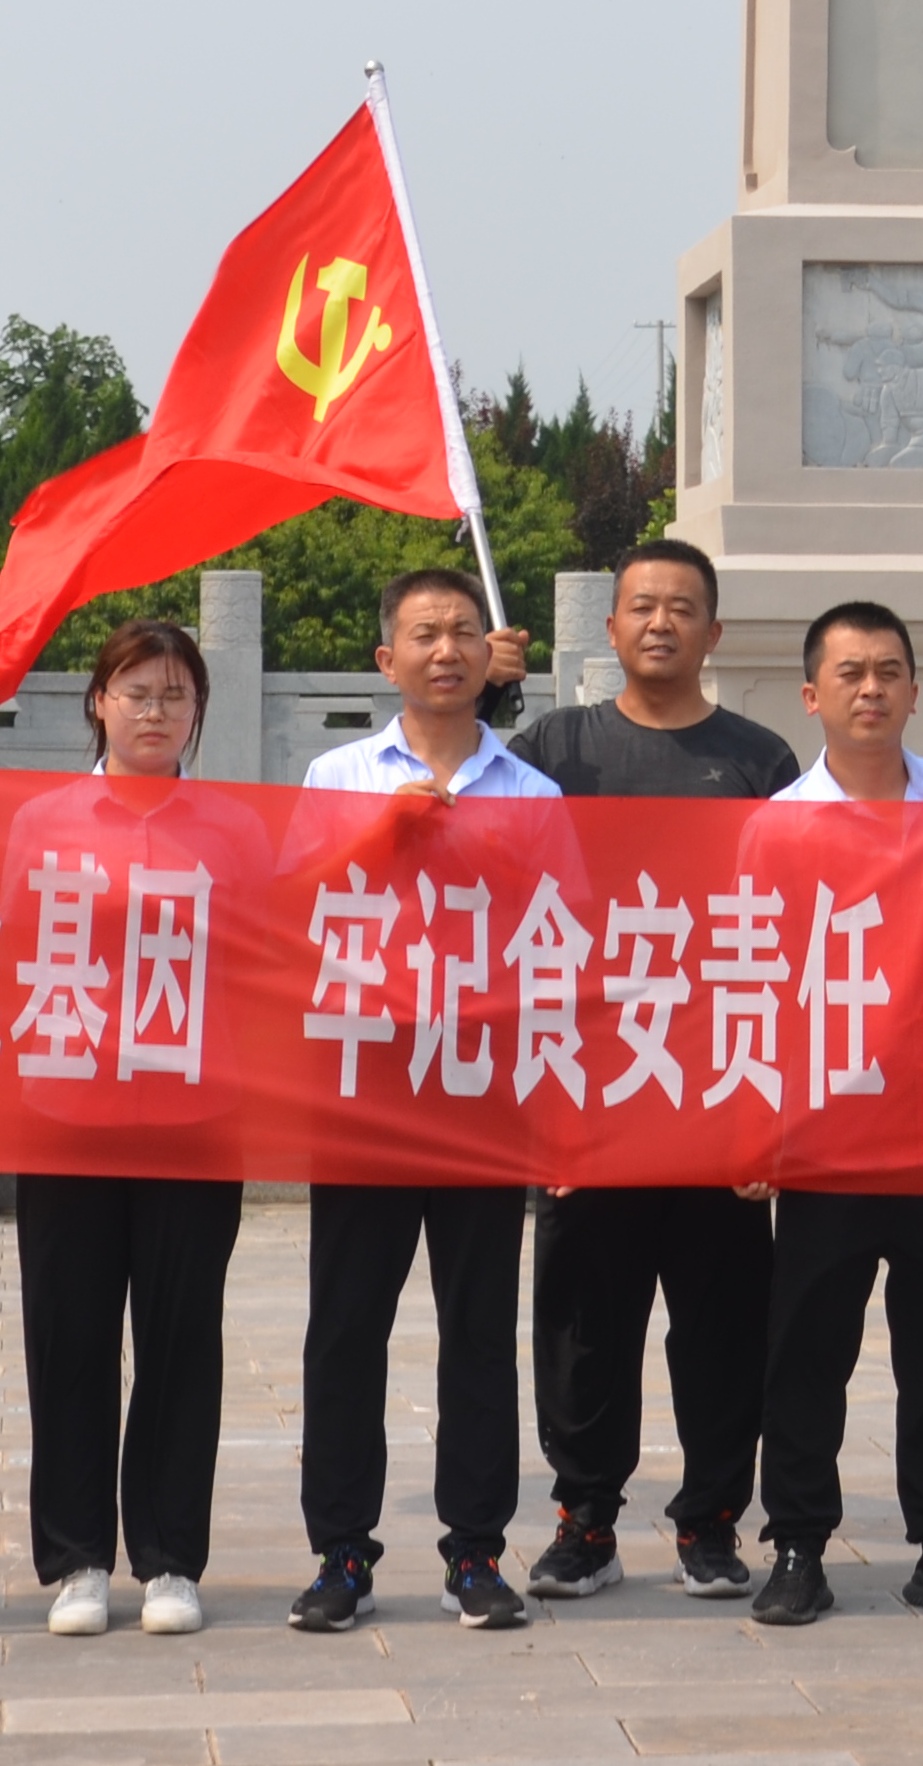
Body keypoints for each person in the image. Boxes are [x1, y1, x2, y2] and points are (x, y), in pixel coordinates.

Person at [507, 536, 794, 1602]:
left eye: (681, 607)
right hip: (590, 1084)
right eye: (640, 606)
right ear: (612, 627)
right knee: (587, 1321)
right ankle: (584, 1518)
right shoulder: (552, 748)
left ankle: (711, 1520)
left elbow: (795, 926)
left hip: (716, 1085)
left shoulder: (759, 759)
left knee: (721, 1324)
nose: (660, 622)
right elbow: (500, 898)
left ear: (713, 633)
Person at [744, 600, 923, 1628]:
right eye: (850, 673)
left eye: (889, 672)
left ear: (916, 691)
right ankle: (797, 1545)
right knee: (808, 1347)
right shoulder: (773, 826)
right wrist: (755, 1125)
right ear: (812, 696)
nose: (871, 690)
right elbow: (751, 983)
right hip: (825, 1134)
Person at [291, 568, 550, 1634]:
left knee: (479, 1332)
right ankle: (341, 1555)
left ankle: (476, 1552)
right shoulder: (337, 772)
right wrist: (378, 834)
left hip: (481, 1094)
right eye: (421, 634)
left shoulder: (531, 795)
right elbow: (292, 911)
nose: (444, 651)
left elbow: (562, 941)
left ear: (491, 658)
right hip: (364, 1091)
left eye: (461, 634)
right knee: (345, 1330)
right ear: (383, 659)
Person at [15, 619, 269, 1638]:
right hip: (65, 1113)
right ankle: (75, 1558)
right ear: (97, 703)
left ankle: (168, 1558)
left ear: (196, 711)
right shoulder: (38, 819)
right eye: (136, 692)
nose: (154, 712)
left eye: (173, 695)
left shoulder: (233, 827)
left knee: (178, 1340)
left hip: (193, 1119)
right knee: (67, 1338)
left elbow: (263, 963)